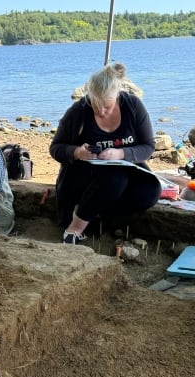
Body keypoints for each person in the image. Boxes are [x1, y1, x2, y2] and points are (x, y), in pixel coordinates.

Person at [49, 62, 161, 244]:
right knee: (116, 178)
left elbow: (148, 147)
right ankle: (75, 227)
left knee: (151, 190)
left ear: (117, 96)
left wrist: (121, 153)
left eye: (107, 107)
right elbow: (56, 148)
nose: (101, 111)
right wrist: (77, 152)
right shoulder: (78, 111)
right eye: (96, 106)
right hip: (84, 174)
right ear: (89, 96)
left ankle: (99, 216)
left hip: (124, 166)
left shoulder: (133, 106)